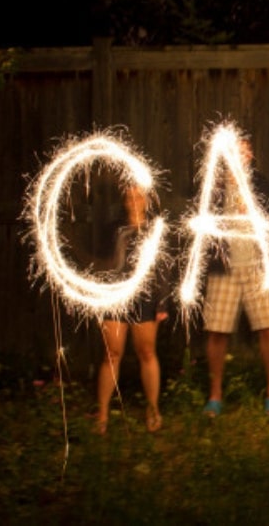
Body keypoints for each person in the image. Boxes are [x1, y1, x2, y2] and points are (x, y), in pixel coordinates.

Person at [201, 138, 269, 418]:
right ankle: (215, 395)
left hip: (256, 268)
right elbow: (201, 224)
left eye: (245, 149)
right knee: (216, 332)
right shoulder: (214, 186)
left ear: (250, 155)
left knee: (268, 328)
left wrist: (257, 215)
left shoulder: (261, 185)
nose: (241, 153)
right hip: (223, 268)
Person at [96, 185, 168, 434]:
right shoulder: (113, 229)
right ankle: (103, 415)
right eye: (130, 196)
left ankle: (152, 410)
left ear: (146, 200)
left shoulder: (154, 229)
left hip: (145, 298)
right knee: (111, 354)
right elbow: (103, 266)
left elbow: (163, 268)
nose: (134, 201)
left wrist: (162, 302)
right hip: (115, 297)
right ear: (125, 201)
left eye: (139, 196)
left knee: (147, 352)